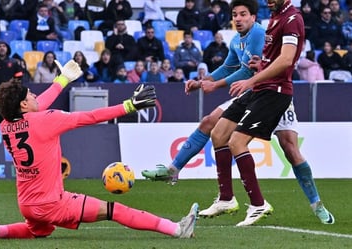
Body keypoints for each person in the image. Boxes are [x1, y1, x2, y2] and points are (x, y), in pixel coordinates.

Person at [142, 0, 335, 226]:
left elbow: (269, 65)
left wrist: (223, 83)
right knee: (213, 126)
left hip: (269, 92)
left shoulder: (262, 31)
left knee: (290, 149)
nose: (238, 18)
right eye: (235, 14)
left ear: (253, 17)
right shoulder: (244, 36)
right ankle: (188, 176)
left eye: (243, 14)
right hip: (255, 91)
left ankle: (316, 204)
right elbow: (235, 66)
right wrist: (204, 81)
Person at [0, 59, 198, 240]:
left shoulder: (5, 126)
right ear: (23, 104)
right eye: (30, 94)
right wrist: (129, 105)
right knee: (115, 210)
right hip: (52, 203)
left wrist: (62, 79)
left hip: (27, 203)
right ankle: (178, 229)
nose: (35, 95)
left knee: (40, 231)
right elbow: (91, 116)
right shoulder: (46, 120)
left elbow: (38, 105)